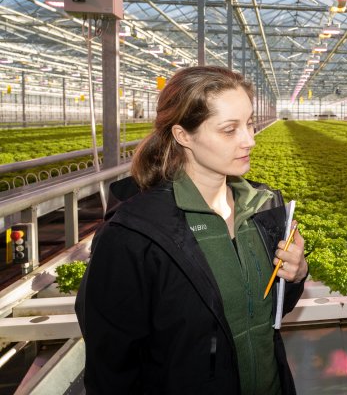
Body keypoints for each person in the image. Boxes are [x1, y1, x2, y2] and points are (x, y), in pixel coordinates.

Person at [75, 66, 308, 394]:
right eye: (229, 130)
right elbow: (112, 368)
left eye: (250, 124)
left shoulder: (264, 209)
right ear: (183, 135)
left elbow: (261, 314)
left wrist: (296, 275)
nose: (250, 140)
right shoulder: (134, 236)